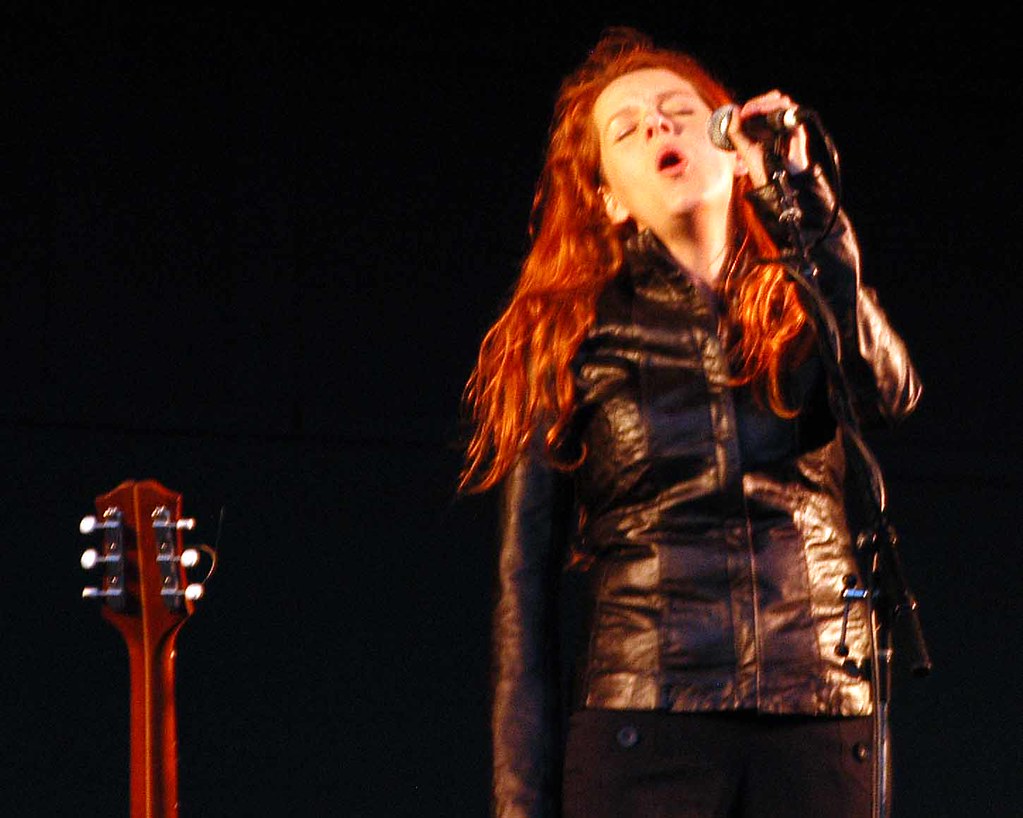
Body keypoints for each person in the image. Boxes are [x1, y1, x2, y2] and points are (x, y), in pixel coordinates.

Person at [459, 26, 922, 818]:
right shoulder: (565, 335)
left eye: (679, 110)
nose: (658, 127)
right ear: (606, 196)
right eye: (627, 129)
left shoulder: (800, 296)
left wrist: (803, 204)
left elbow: (886, 392)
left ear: (729, 148)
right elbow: (522, 595)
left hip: (816, 717)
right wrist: (518, 803)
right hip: (645, 726)